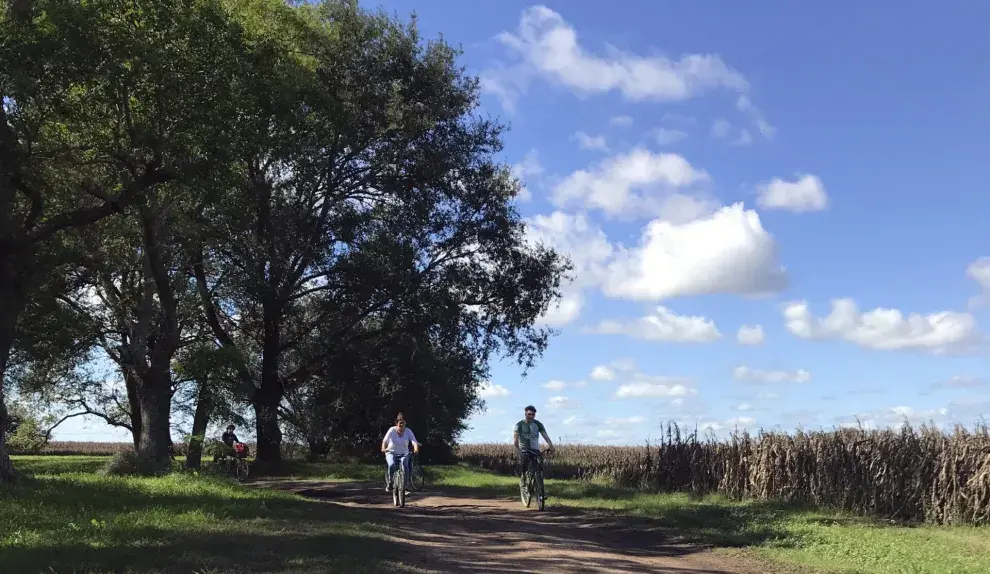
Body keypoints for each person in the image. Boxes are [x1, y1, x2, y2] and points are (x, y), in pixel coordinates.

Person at [513, 405, 554, 489]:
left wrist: (551, 445)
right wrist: (518, 450)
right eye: (529, 414)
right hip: (524, 448)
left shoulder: (538, 424)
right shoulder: (519, 425)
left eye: (533, 415)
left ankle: (539, 484)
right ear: (525, 414)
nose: (531, 416)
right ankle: (523, 477)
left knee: (540, 465)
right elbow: (515, 439)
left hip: (535, 449)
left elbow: (545, 436)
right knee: (524, 463)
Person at [381, 413, 420, 494]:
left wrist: (416, 449)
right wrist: (383, 448)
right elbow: (385, 440)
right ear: (397, 423)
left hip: (404, 453)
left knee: (405, 467)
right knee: (392, 465)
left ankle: (405, 487)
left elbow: (414, 441)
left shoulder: (408, 431)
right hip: (391, 452)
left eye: (403, 423)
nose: (401, 424)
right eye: (400, 423)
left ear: (405, 423)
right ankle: (390, 482)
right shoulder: (392, 430)